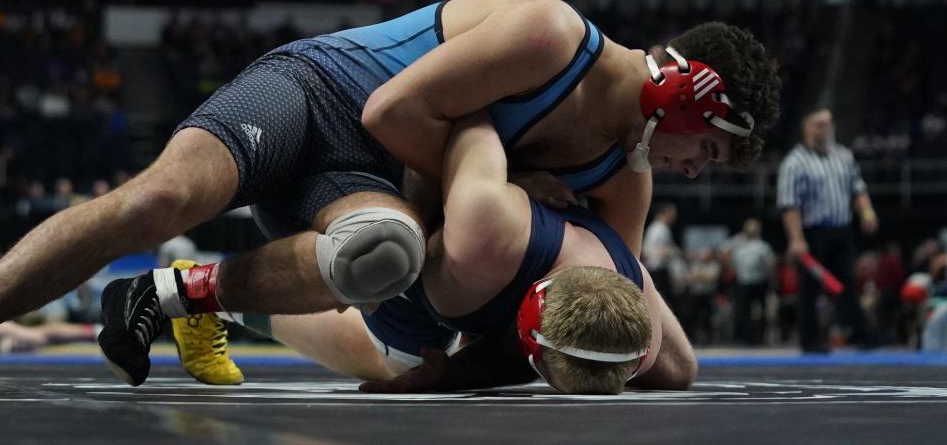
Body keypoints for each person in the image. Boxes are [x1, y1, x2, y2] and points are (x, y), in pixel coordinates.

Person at [0, 0, 778, 394]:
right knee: (161, 199)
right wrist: (493, 170)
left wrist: (457, 365)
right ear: (683, 95)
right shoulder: (554, 37)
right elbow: (391, 107)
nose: (701, 172)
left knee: (378, 256)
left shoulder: (627, 176)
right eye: (713, 151)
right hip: (321, 91)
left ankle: (182, 292)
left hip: (376, 181)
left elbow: (583, 301)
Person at [231, 113, 695, 394]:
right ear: (525, 326)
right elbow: (463, 116)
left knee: (675, 372)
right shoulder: (483, 231)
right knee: (400, 341)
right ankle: (226, 301)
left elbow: (677, 369)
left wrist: (455, 375)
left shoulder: (633, 296)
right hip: (395, 192)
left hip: (503, 233)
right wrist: (445, 373)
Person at [777, 107, 878, 352]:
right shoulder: (795, 162)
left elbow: (858, 189)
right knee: (810, 289)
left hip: (841, 231)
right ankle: (810, 340)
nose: (827, 128)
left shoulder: (843, 155)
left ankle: (860, 334)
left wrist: (866, 213)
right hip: (813, 234)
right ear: (807, 128)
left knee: (847, 284)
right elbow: (789, 204)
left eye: (829, 123)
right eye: (820, 124)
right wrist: (796, 239)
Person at [729, 218, 775, 345]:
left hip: (760, 282)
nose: (751, 231)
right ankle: (747, 338)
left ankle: (761, 338)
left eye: (754, 228)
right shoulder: (739, 245)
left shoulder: (763, 246)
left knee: (762, 312)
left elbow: (770, 265)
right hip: (743, 283)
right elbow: (733, 262)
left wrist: (772, 282)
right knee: (743, 312)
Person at [642, 202, 680, 301]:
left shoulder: (661, 228)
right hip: (657, 271)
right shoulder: (658, 228)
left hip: (659, 270)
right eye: (672, 212)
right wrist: (669, 252)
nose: (674, 215)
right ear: (665, 213)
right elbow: (649, 249)